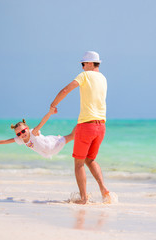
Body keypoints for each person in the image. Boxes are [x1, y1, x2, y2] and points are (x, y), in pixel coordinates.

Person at [50, 51, 109, 204]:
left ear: (90, 63)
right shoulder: (103, 78)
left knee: (79, 164)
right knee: (91, 160)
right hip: (101, 126)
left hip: (86, 125)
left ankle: (84, 198)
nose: (82, 67)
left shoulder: (84, 76)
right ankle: (103, 189)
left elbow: (66, 90)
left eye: (83, 64)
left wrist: (53, 104)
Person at [0, 107, 75, 158]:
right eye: (19, 134)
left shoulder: (33, 133)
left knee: (72, 136)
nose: (22, 134)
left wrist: (50, 113)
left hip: (53, 145)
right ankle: (59, 137)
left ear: (27, 128)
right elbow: (5, 141)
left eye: (23, 131)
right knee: (70, 136)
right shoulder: (21, 140)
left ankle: (82, 124)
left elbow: (42, 122)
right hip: (47, 152)